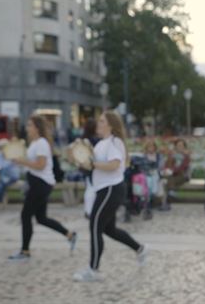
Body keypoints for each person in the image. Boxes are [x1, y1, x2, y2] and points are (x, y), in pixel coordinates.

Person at [73, 111, 148, 282]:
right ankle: (140, 249)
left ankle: (93, 270)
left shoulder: (115, 142)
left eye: (101, 121)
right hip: (106, 189)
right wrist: (83, 163)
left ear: (110, 125)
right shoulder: (103, 143)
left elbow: (114, 165)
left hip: (110, 189)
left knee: (94, 226)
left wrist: (92, 164)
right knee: (109, 229)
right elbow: (96, 166)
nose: (98, 124)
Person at [9, 115, 77, 260]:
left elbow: (41, 165)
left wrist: (23, 161)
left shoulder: (41, 143)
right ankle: (69, 235)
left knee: (25, 215)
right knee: (41, 218)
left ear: (37, 128)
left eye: (29, 125)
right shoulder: (35, 143)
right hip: (38, 183)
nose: (27, 128)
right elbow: (32, 163)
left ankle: (25, 251)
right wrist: (20, 161)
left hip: (41, 184)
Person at [0, 138, 20, 204]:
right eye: (0, 148)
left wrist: (0, 174)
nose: (1, 149)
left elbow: (7, 168)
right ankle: (2, 195)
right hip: (0, 177)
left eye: (3, 147)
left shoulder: (12, 155)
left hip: (11, 176)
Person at [163, 139, 191, 210]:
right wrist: (168, 170)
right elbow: (167, 165)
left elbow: (183, 167)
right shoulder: (172, 155)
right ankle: (170, 195)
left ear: (184, 147)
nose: (180, 147)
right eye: (178, 146)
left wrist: (172, 170)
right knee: (168, 180)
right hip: (172, 176)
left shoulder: (186, 156)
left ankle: (166, 203)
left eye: (181, 146)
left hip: (182, 175)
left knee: (168, 181)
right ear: (175, 147)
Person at [81, 118, 100, 219]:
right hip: (93, 166)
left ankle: (88, 210)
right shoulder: (94, 140)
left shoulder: (83, 139)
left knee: (89, 187)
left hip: (86, 166)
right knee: (91, 188)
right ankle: (89, 210)